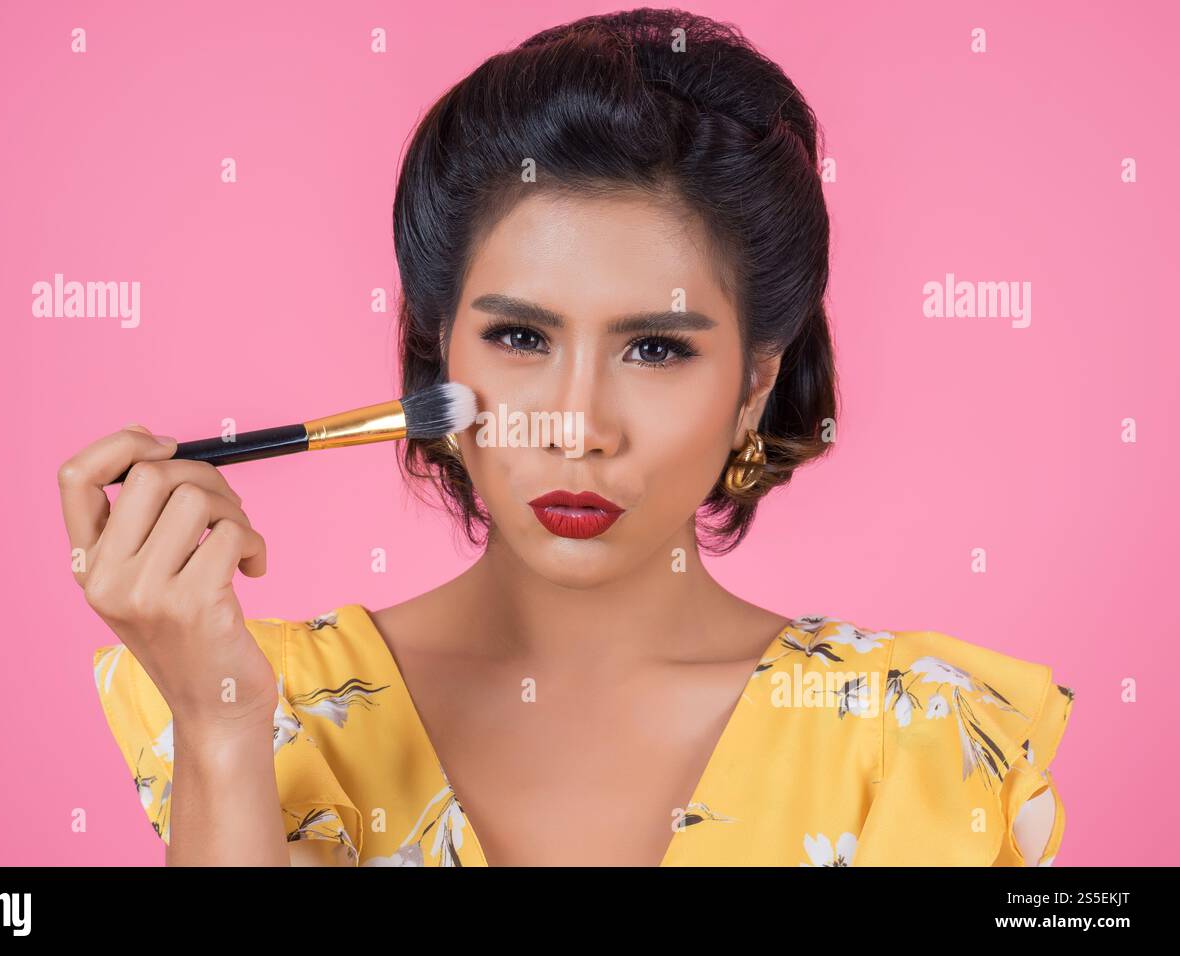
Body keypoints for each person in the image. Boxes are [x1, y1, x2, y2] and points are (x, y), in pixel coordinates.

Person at [65, 8, 1072, 867]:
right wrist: (218, 723)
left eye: (657, 349)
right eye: (518, 336)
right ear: (439, 353)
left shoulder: (915, 739)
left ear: (755, 382)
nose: (577, 427)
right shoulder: (268, 702)